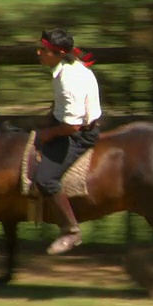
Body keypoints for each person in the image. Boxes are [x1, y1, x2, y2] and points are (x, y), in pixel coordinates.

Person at [34, 28, 101, 255]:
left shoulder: (68, 79)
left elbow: (73, 125)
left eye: (44, 50)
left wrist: (48, 134)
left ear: (59, 53)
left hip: (77, 135)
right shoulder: (67, 68)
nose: (39, 52)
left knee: (46, 178)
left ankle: (70, 231)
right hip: (68, 124)